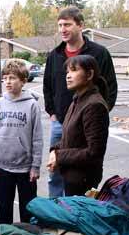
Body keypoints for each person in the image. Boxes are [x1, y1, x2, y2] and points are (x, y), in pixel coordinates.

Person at [43, 6, 117, 198]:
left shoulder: (99, 53)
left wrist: (98, 115)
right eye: (60, 25)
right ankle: (56, 212)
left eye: (67, 24)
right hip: (61, 121)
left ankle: (67, 213)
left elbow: (110, 85)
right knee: (55, 176)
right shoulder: (54, 55)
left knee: (77, 180)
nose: (63, 29)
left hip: (88, 121)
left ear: (80, 25)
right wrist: (52, 112)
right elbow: (47, 86)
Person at [46, 55, 110, 196]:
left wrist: (59, 155)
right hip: (71, 176)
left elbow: (94, 152)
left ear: (89, 74)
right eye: (67, 72)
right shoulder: (77, 100)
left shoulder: (94, 105)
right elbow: (70, 138)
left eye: (74, 70)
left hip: (83, 180)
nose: (68, 76)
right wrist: (54, 150)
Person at [0, 59, 43, 224]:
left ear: (23, 80)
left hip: (25, 169)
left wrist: (35, 166)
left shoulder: (32, 105)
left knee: (28, 212)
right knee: (4, 210)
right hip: (4, 167)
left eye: (12, 78)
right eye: (5, 78)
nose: (8, 82)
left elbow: (37, 139)